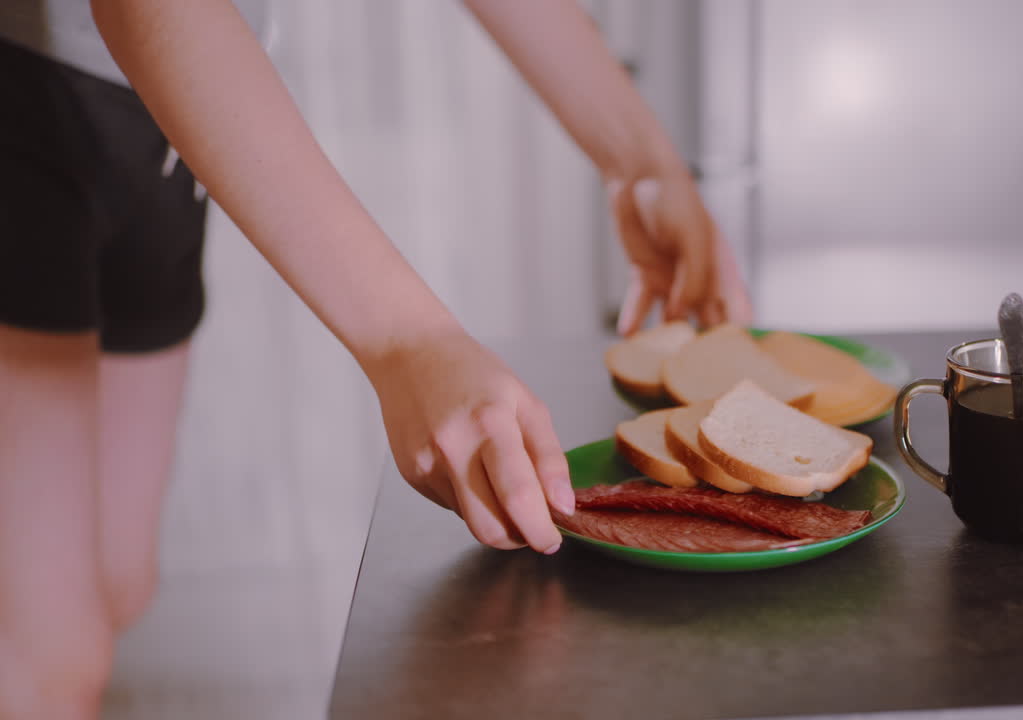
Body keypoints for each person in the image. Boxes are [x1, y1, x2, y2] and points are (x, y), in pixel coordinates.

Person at [0, 0, 752, 716]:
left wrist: (643, 163)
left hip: (159, 121)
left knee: (117, 584)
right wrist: (409, 343)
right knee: (46, 665)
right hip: (26, 104)